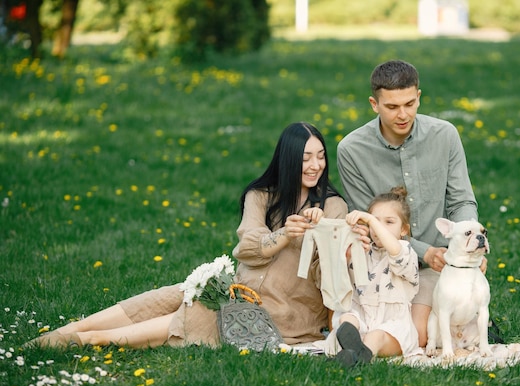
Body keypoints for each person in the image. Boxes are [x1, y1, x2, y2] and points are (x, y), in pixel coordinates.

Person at [25, 122, 349, 349]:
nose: (315, 165)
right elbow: (248, 247)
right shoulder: (261, 195)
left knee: (199, 311)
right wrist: (283, 234)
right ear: (289, 160)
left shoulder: (333, 206)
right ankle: (71, 329)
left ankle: (91, 340)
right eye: (306, 157)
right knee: (174, 295)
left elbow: (331, 278)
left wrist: (322, 235)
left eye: (320, 156)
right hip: (239, 290)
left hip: (285, 315)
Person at [336, 60, 486, 348]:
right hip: (383, 267)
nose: (403, 114)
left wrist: (467, 243)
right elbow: (369, 223)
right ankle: (361, 339)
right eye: (392, 107)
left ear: (419, 97)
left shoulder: (445, 135)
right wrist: (423, 251)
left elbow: (462, 200)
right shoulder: (352, 150)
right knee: (405, 330)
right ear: (374, 104)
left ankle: (369, 344)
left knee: (422, 334)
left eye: (409, 103)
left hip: (439, 266)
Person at [333, 186, 421, 367]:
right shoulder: (364, 250)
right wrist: (350, 255)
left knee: (375, 336)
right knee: (347, 318)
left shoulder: (405, 250)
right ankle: (351, 356)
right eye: (375, 222)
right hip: (363, 318)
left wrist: (372, 220)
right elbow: (342, 281)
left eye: (388, 222)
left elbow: (395, 252)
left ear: (404, 229)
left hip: (393, 327)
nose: (379, 228)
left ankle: (357, 359)